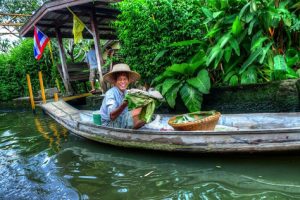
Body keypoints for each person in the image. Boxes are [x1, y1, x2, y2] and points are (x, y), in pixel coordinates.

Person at [99, 63, 145, 129]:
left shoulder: (127, 92)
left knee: (142, 109)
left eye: (125, 79)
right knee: (138, 113)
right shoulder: (110, 93)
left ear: (128, 81)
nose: (123, 82)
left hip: (121, 118)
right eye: (120, 79)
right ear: (115, 81)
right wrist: (124, 105)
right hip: (109, 124)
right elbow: (112, 116)